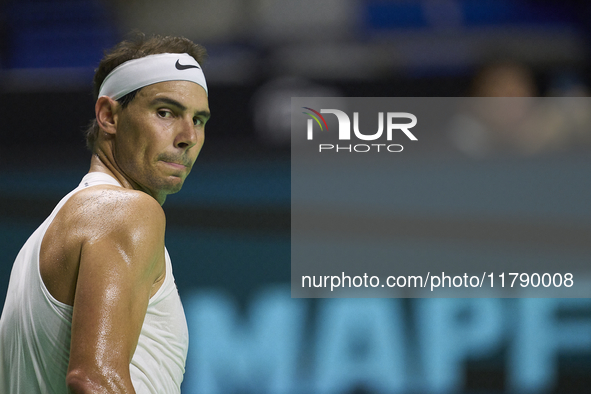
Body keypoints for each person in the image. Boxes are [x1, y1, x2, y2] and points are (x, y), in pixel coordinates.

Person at [0, 33, 210, 393]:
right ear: (109, 116)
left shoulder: (39, 243)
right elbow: (94, 379)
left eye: (199, 120)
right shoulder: (128, 212)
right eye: (165, 112)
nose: (187, 136)